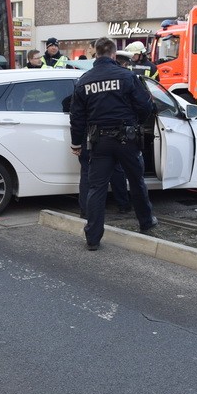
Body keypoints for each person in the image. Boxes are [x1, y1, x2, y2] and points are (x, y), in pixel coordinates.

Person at [69, 37, 157, 251]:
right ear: (113, 55)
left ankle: (92, 238)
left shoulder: (84, 80)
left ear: (96, 54)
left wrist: (76, 143)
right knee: (136, 181)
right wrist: (133, 119)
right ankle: (146, 222)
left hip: (99, 141)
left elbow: (77, 117)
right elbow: (146, 106)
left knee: (97, 187)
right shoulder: (127, 76)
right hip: (127, 138)